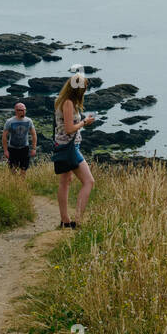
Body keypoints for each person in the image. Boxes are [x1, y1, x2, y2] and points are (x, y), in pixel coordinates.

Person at [52, 72, 96, 228]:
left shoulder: (61, 100)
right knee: (89, 182)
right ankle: (77, 220)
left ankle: (65, 221)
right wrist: (85, 122)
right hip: (69, 147)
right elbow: (70, 128)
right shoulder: (68, 103)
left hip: (63, 145)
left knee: (65, 181)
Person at [1, 102, 37, 173]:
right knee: (13, 170)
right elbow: (4, 136)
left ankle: (21, 183)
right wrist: (5, 150)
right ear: (16, 111)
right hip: (12, 149)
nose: (24, 112)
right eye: (21, 110)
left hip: (24, 148)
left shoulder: (29, 121)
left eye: (25, 110)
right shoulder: (9, 121)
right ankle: (14, 183)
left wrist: (34, 148)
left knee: (24, 170)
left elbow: (34, 135)